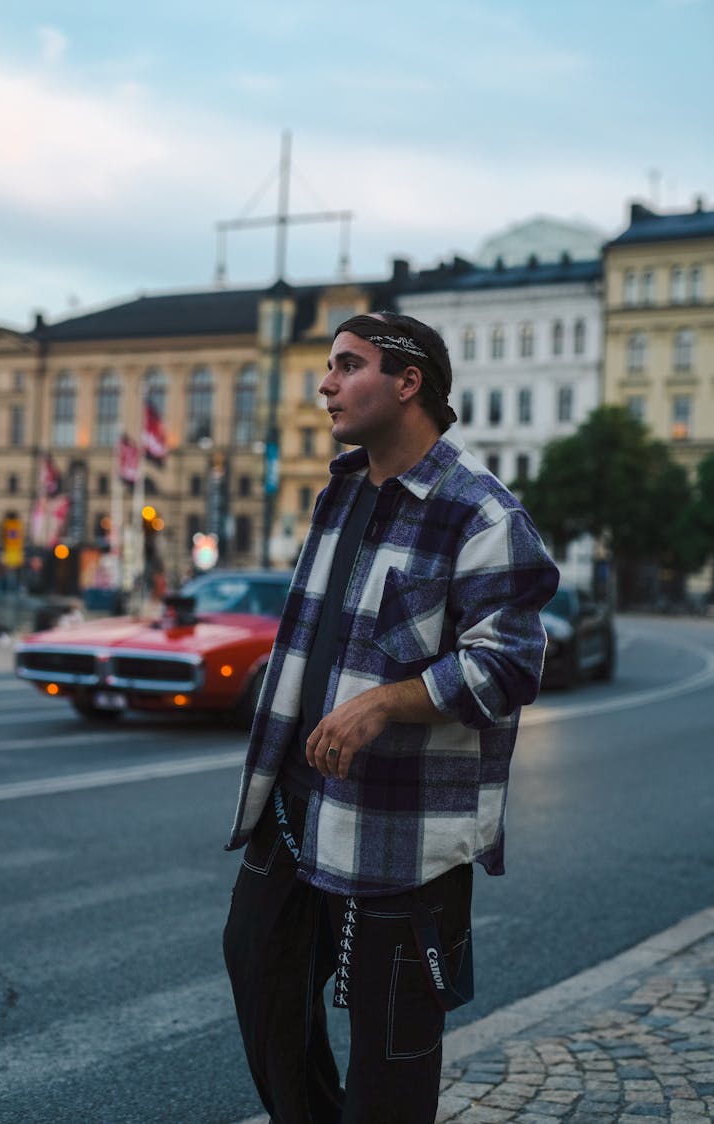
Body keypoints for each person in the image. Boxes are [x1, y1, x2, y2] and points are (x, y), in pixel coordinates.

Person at [223, 311, 559, 1124]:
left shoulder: (480, 511)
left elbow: (513, 661)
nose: (325, 383)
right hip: (294, 802)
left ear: (408, 383)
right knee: (261, 983)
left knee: (392, 1050)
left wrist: (384, 702)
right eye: (329, 366)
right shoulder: (341, 489)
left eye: (347, 365)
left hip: (399, 825)